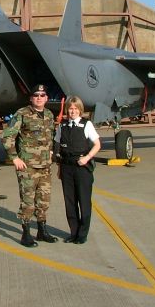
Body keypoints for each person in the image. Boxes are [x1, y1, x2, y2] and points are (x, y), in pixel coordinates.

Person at [2, 84, 58, 247]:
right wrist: (14, 158)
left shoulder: (49, 114)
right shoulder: (22, 114)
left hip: (45, 166)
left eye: (42, 95)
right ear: (31, 98)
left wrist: (52, 153)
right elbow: (7, 137)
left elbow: (50, 137)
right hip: (28, 167)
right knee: (28, 202)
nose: (39, 98)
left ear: (47, 98)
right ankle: (26, 234)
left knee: (44, 201)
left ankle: (42, 231)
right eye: (36, 95)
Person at [53, 96, 101, 245]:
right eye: (70, 108)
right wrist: (60, 168)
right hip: (67, 166)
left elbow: (97, 144)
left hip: (82, 167)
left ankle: (82, 234)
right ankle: (73, 232)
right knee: (70, 202)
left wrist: (87, 158)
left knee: (84, 201)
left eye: (75, 108)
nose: (72, 111)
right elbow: (58, 145)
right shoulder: (62, 126)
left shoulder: (86, 125)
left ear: (80, 110)